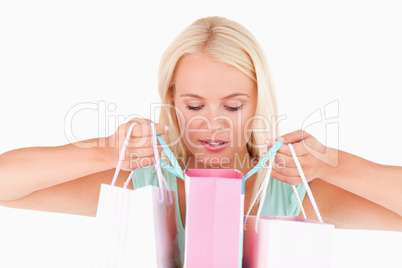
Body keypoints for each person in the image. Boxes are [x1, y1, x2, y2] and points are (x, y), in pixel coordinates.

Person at [0, 16, 400, 265]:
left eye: (233, 106)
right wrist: (105, 152)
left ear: (260, 100)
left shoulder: (290, 191)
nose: (213, 126)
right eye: (194, 107)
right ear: (171, 98)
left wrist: (338, 165)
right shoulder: (143, 186)